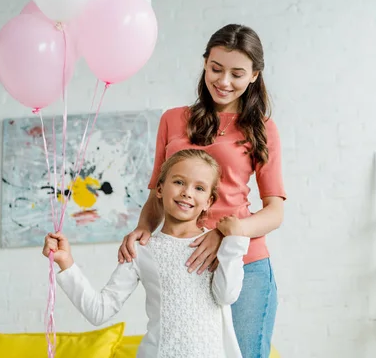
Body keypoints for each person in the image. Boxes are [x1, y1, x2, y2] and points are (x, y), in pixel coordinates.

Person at [118, 23, 286, 358]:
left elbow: (274, 210)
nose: (224, 82)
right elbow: (156, 194)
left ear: (254, 76)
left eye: (237, 74)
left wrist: (227, 232)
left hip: (244, 265)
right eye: (216, 68)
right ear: (205, 62)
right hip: (185, 264)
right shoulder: (173, 119)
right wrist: (142, 230)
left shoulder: (262, 128)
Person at [43, 149, 249, 358]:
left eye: (199, 188)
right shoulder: (141, 249)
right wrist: (66, 263)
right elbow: (99, 311)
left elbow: (226, 295)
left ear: (209, 201)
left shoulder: (220, 246)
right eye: (178, 182)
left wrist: (234, 243)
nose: (187, 192)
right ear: (159, 189)